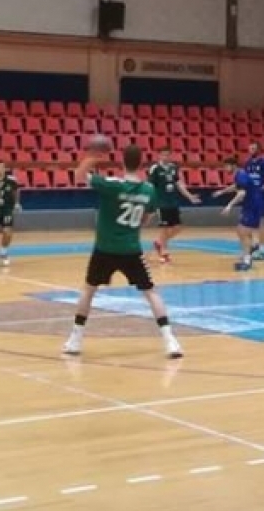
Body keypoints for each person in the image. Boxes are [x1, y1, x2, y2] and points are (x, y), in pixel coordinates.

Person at [62, 141, 181, 359]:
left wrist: (91, 158)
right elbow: (147, 216)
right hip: (131, 249)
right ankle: (170, 341)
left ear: (122, 163)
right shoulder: (149, 190)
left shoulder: (112, 185)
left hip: (105, 249)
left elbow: (78, 176)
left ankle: (75, 340)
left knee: (89, 290)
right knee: (151, 292)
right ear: (142, 164)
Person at [212, 142, 264, 260]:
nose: (251, 150)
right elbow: (240, 184)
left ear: (259, 149)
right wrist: (222, 191)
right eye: (249, 148)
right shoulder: (247, 164)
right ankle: (251, 247)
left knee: (258, 224)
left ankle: (261, 250)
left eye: (253, 148)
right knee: (243, 227)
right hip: (249, 198)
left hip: (258, 196)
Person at [147, 148, 201, 263]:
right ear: (159, 155)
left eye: (168, 155)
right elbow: (150, 186)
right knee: (165, 228)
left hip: (173, 202)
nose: (166, 157)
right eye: (163, 155)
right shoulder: (155, 168)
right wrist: (151, 202)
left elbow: (179, 184)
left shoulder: (173, 167)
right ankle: (163, 253)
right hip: (161, 203)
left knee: (178, 227)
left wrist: (190, 196)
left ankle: (159, 242)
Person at [218, 156, 264, 272]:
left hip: (253, 205)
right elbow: (236, 186)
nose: (225, 169)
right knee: (241, 231)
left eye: (227, 166)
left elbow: (241, 193)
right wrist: (222, 191)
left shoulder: (241, 175)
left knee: (242, 231)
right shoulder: (240, 175)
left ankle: (247, 259)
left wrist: (229, 206)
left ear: (233, 166)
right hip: (250, 205)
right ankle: (251, 249)